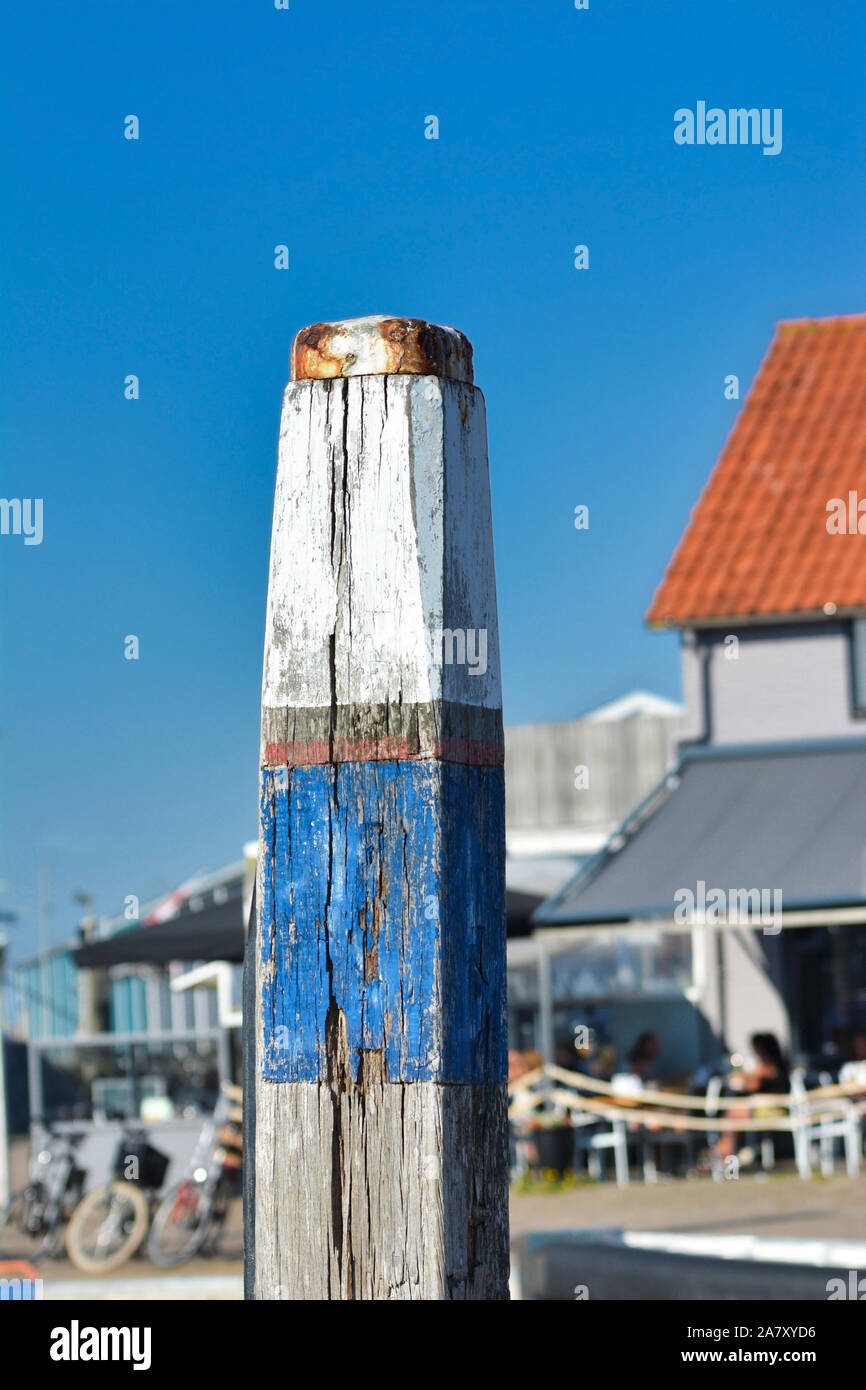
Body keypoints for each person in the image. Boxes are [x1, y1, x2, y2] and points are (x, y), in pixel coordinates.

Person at [714, 1032, 789, 1161]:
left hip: (772, 1109)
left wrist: (740, 1077)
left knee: (733, 1113)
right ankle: (724, 1152)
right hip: (762, 1107)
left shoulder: (769, 1066)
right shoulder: (776, 1065)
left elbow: (752, 1085)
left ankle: (723, 1153)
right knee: (733, 1112)